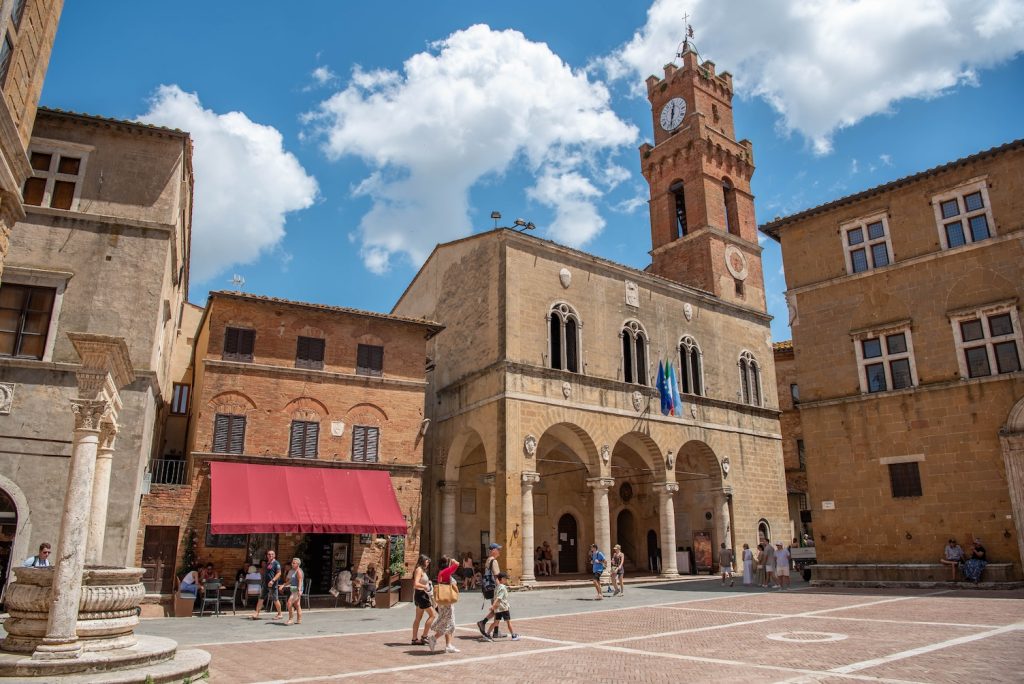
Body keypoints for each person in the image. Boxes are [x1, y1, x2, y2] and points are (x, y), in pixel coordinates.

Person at [427, 555, 461, 653]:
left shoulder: (441, 572)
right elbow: (457, 565)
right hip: (446, 601)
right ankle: (434, 638)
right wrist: (453, 560)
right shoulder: (445, 572)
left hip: (443, 601)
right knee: (450, 622)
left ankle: (448, 645)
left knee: (448, 622)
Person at [476, 543, 502, 639]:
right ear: (492, 550)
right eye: (498, 549)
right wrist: (501, 588)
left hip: (489, 588)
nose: (499, 551)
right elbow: (496, 576)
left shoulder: (488, 560)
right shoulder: (494, 561)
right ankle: (483, 622)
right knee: (498, 610)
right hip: (495, 588)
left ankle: (496, 631)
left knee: (497, 610)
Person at [483, 572, 519, 641]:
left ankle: (487, 634)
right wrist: (493, 606)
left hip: (498, 609)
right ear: (502, 579)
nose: (506, 580)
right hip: (504, 608)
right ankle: (513, 635)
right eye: (506, 579)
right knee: (508, 622)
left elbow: (495, 598)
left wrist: (494, 606)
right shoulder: (503, 588)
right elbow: (499, 598)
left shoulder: (497, 587)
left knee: (496, 622)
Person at [411, 555, 435, 645]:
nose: (428, 563)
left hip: (420, 595)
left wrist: (428, 583)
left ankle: (414, 639)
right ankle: (424, 636)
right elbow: (416, 584)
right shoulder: (419, 570)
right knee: (433, 615)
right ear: (423, 561)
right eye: (427, 561)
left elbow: (421, 581)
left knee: (418, 618)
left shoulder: (422, 570)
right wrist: (425, 586)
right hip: (421, 595)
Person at [252, 549, 282, 620]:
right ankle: (257, 613)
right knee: (261, 598)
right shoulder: (268, 563)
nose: (270, 555)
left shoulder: (276, 563)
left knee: (275, 599)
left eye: (272, 554)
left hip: (272, 584)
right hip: (265, 584)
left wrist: (273, 580)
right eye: (269, 554)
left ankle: (280, 614)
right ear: (267, 555)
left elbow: (279, 573)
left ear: (274, 555)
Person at [284, 558, 303, 625]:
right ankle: (299, 620)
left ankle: (291, 619)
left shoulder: (298, 571)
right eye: (292, 563)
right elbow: (290, 581)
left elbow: (300, 581)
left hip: (296, 590)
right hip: (293, 589)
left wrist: (299, 590)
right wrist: (284, 585)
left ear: (298, 564)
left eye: (294, 563)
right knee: (297, 604)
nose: (292, 564)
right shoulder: (293, 570)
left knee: (289, 603)